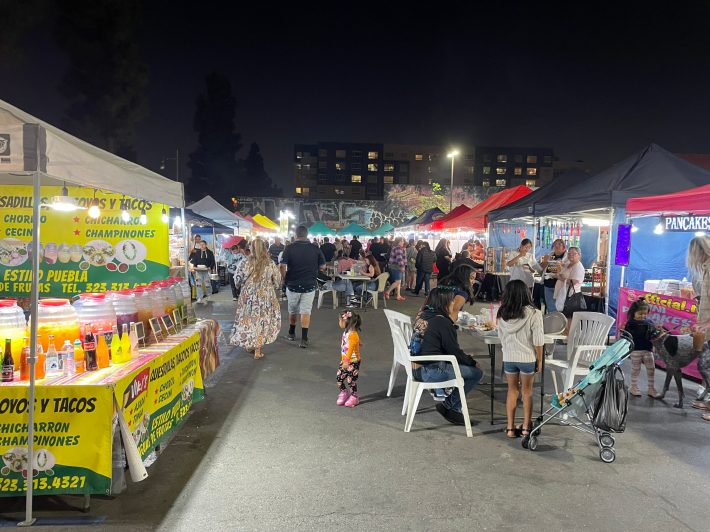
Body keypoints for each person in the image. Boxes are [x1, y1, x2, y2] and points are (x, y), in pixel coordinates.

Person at [411, 288, 483, 425]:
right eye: (451, 301)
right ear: (444, 303)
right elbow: (454, 352)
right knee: (476, 373)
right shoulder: (443, 322)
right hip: (431, 371)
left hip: (416, 367)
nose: (454, 304)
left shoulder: (423, 315)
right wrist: (472, 362)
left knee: (463, 363)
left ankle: (449, 405)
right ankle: (451, 406)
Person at [496, 280, 544, 441]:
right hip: (527, 358)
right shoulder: (534, 313)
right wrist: (540, 360)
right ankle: (525, 427)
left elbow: (501, 337)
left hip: (509, 358)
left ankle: (510, 428)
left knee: (512, 391)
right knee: (527, 392)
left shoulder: (502, 313)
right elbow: (538, 340)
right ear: (526, 293)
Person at [230, 238, 281, 359]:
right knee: (261, 320)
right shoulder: (270, 263)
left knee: (248, 319)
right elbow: (278, 280)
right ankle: (257, 350)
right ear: (265, 248)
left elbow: (237, 279)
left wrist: (240, 286)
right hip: (265, 296)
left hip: (248, 296)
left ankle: (249, 344)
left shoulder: (244, 262)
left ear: (250, 248)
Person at [280, 225, 326, 348]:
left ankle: (291, 333)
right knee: (306, 311)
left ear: (296, 235)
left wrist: (284, 278)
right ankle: (304, 339)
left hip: (292, 284)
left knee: (293, 310)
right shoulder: (315, 248)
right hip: (309, 285)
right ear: (306, 235)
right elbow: (323, 266)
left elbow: (282, 266)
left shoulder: (289, 248)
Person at [621, 298, 658, 397]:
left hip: (647, 350)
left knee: (651, 368)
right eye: (640, 314)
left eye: (645, 314)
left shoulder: (650, 322)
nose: (643, 316)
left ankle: (651, 388)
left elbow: (654, 335)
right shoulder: (630, 323)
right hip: (635, 350)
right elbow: (626, 337)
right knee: (635, 369)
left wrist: (656, 334)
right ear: (634, 313)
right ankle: (633, 387)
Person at [336, 310, 363, 407]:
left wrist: (347, 361)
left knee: (350, 380)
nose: (339, 322)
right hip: (345, 361)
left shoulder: (353, 335)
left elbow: (351, 349)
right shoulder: (348, 331)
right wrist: (359, 342)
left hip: (353, 361)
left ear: (347, 322)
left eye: (340, 320)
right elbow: (352, 341)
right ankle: (343, 392)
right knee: (339, 378)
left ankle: (354, 397)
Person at [553, 246, 585, 313]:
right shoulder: (568, 264)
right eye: (569, 253)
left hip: (571, 296)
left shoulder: (578, 267)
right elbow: (561, 273)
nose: (571, 255)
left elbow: (573, 282)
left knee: (569, 317)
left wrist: (560, 277)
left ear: (579, 255)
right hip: (562, 294)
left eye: (574, 254)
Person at [539, 239, 568, 313]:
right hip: (548, 284)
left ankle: (559, 322)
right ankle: (553, 322)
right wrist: (545, 261)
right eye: (555, 244)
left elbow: (568, 270)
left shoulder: (567, 257)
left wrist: (560, 266)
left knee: (559, 306)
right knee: (550, 307)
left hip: (559, 284)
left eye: (559, 244)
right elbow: (542, 267)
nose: (557, 246)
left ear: (563, 246)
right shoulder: (550, 255)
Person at [384, 237, 407, 301]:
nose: (403, 242)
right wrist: (402, 266)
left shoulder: (398, 247)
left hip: (394, 266)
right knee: (398, 281)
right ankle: (388, 292)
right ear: (398, 242)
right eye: (402, 241)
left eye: (403, 241)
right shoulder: (398, 248)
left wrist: (403, 265)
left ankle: (398, 295)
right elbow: (399, 258)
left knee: (398, 281)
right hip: (395, 266)